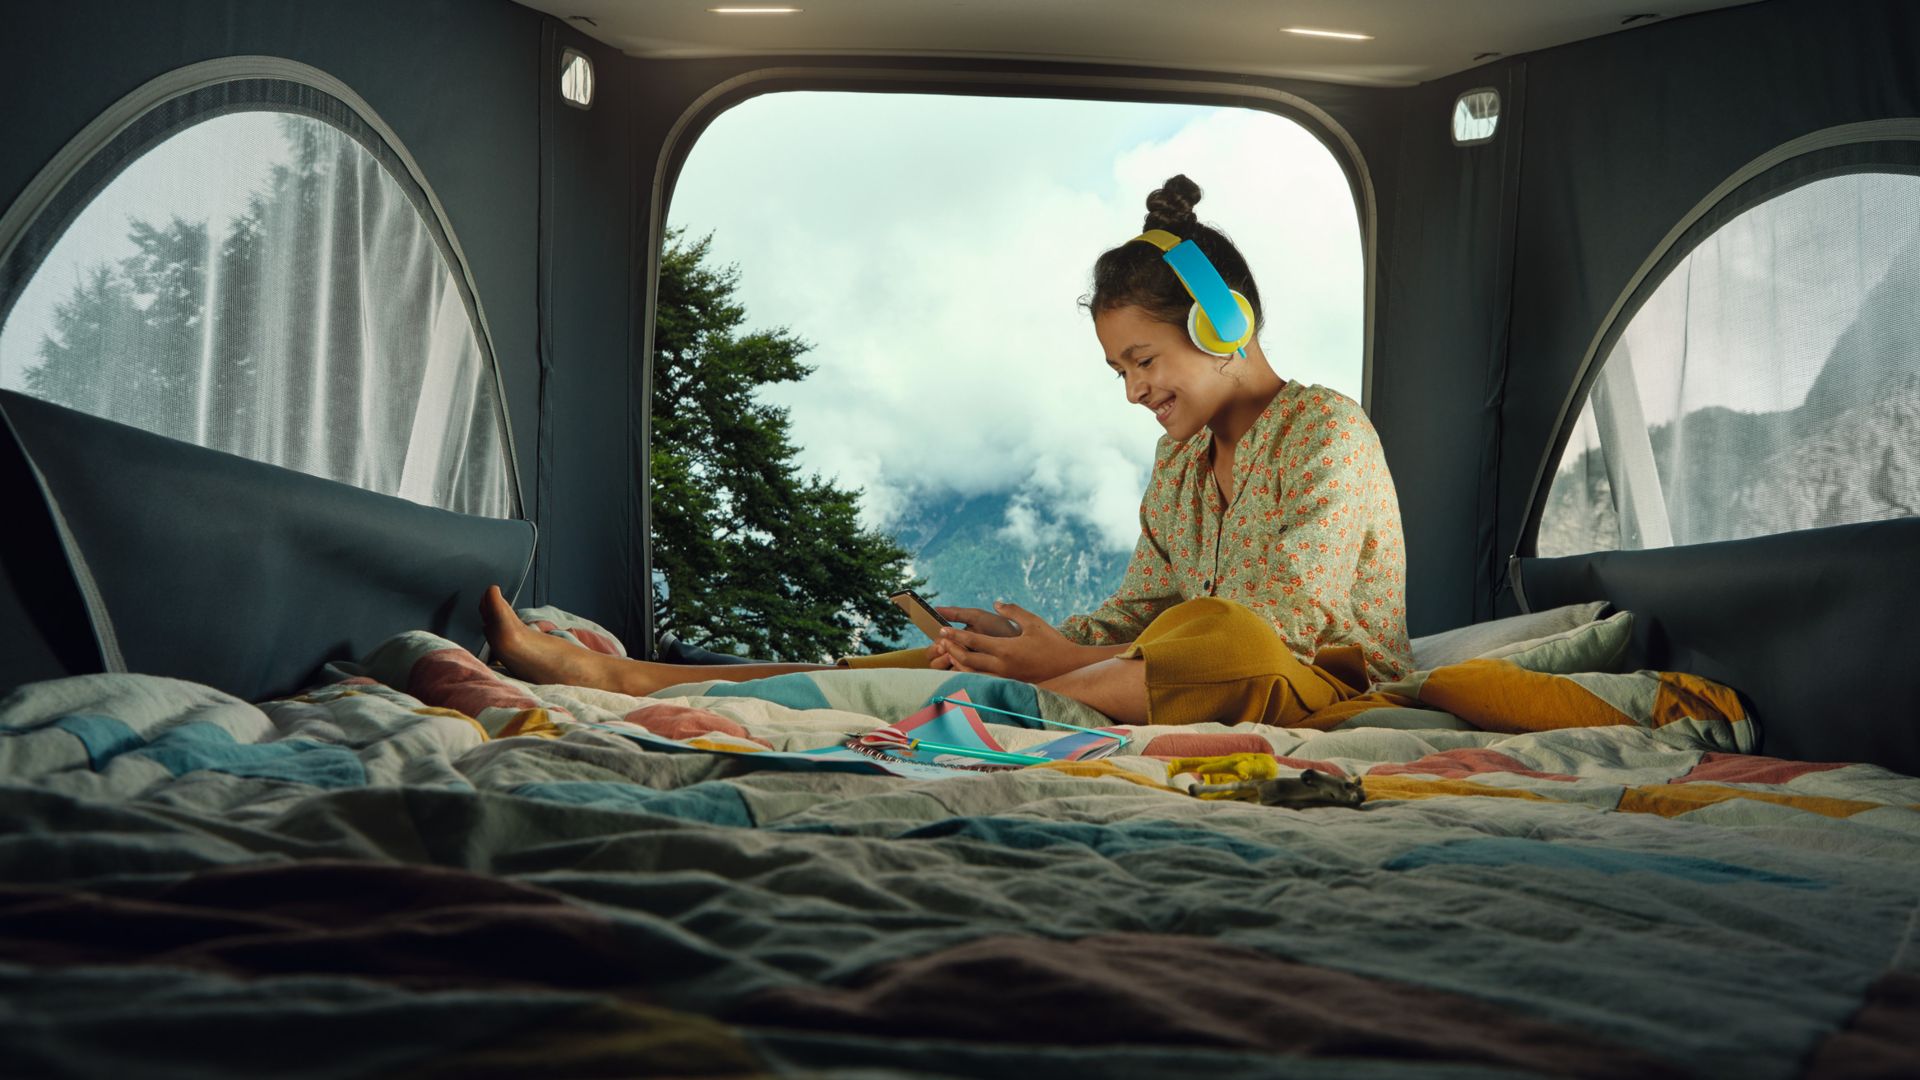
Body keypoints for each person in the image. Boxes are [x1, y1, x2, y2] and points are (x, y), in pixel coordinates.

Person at [482, 174, 1411, 727]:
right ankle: (629, 677)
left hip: (1304, 684)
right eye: (1117, 371)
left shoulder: (1326, 431)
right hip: (1164, 669)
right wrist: (1034, 642)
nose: (1134, 391)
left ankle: (1055, 681)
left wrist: (1080, 656)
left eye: (1144, 360)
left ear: (1224, 323)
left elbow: (1269, 630)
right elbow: (1142, 610)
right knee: (956, 660)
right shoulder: (1178, 464)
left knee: (1227, 636)